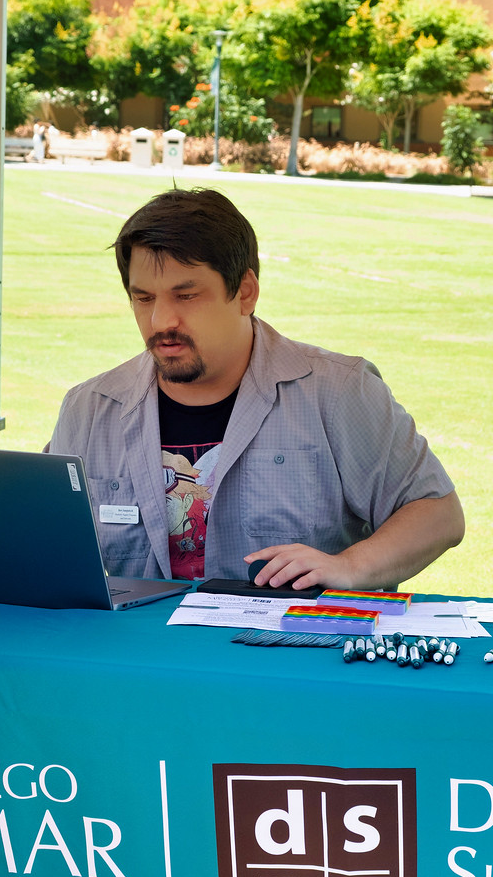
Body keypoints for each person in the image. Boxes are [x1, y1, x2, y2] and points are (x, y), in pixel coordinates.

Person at [47, 188, 464, 589]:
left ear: (245, 292)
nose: (160, 321)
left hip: (293, 654)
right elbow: (37, 535)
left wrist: (350, 566)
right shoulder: (89, 410)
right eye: (143, 298)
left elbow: (438, 514)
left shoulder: (339, 392)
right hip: (133, 658)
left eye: (186, 295)